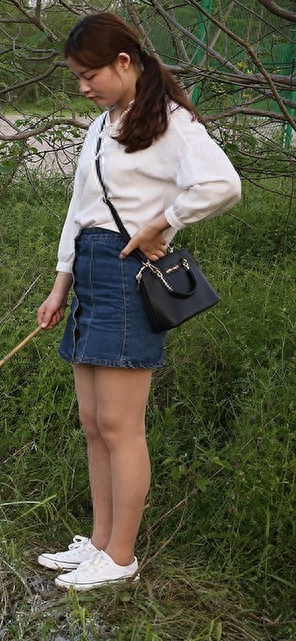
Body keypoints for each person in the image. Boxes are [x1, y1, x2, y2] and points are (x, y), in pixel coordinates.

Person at [35, 12, 240, 591]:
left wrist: (164, 223)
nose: (83, 86)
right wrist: (60, 283)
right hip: (90, 272)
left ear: (124, 63)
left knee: (122, 426)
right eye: (77, 77)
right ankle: (98, 544)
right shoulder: (104, 123)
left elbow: (223, 185)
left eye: (89, 73)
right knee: (93, 422)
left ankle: (121, 557)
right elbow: (78, 209)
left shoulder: (172, 121)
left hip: (129, 274)